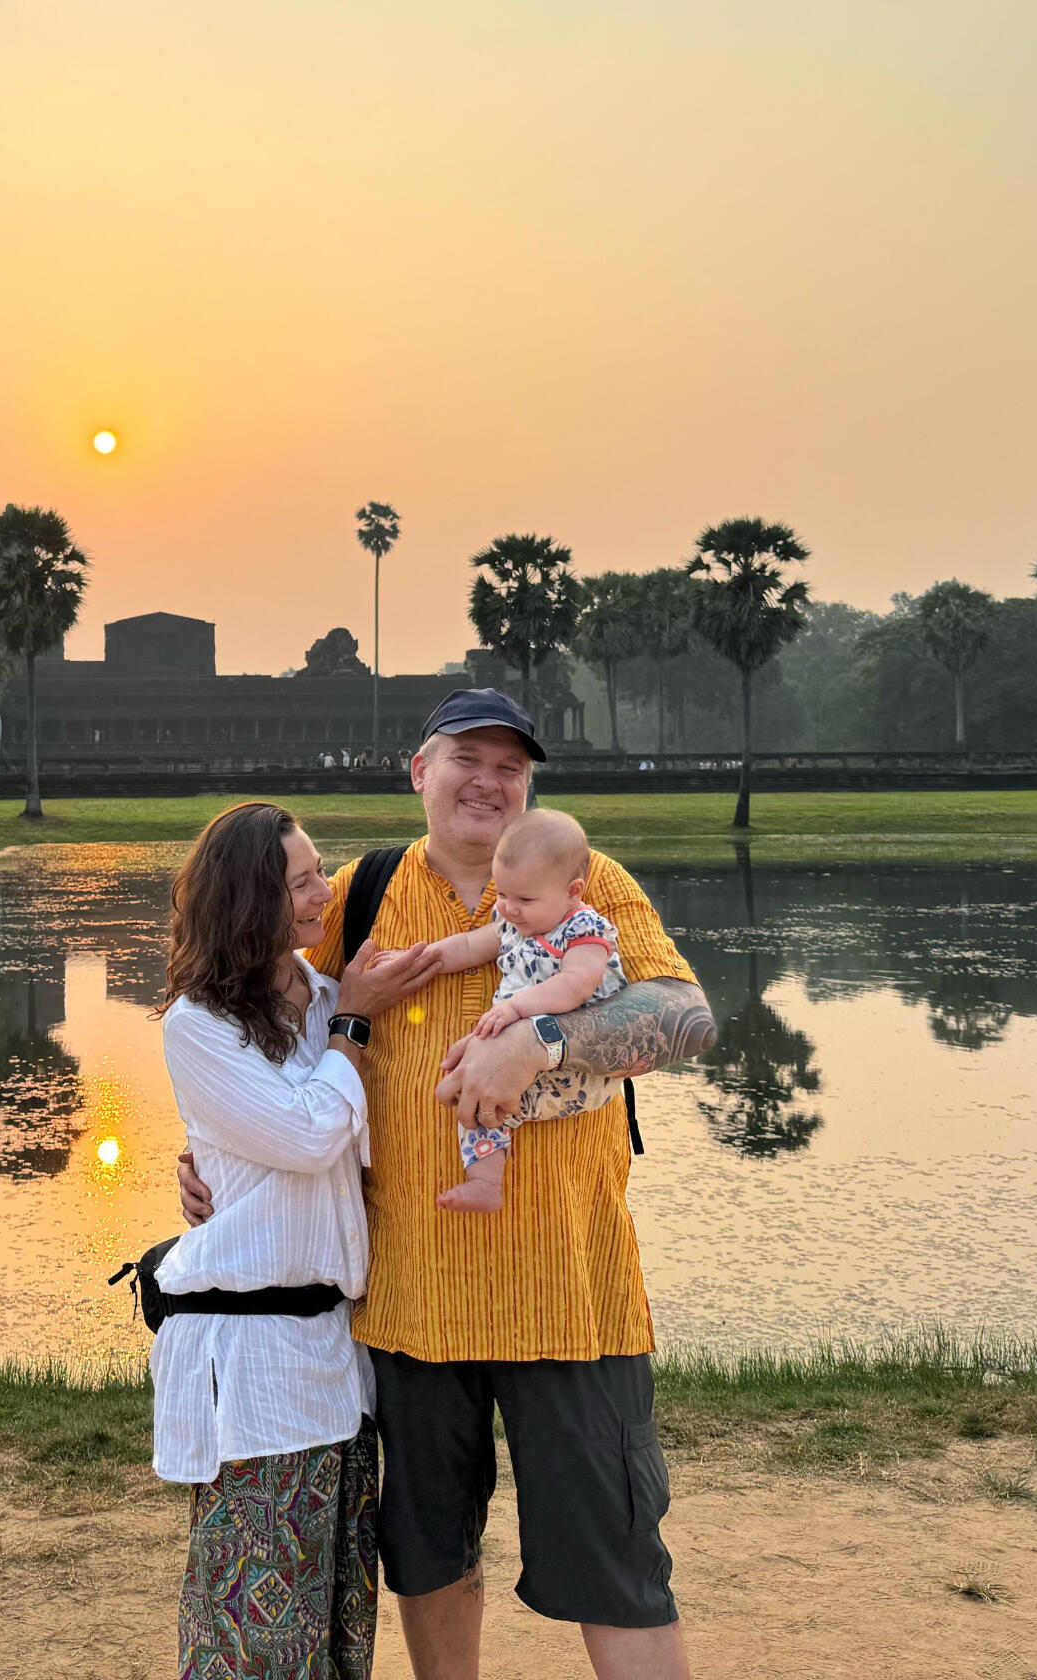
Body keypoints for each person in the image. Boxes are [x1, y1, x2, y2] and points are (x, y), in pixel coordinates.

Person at [180, 689, 718, 1680]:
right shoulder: (364, 892)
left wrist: (540, 1044)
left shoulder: (586, 880)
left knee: (619, 1564)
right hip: (412, 1308)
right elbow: (254, 1024)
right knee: (428, 1561)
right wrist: (216, 1150)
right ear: (417, 771)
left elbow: (686, 1018)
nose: (489, 780)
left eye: (511, 766)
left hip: (569, 1299)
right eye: (466, 756)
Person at [153, 801, 378, 1678]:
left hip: (337, 1356)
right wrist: (355, 1027)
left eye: (320, 871)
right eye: (303, 882)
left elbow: (333, 1148)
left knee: (334, 1619)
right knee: (251, 1631)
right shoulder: (197, 1026)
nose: (327, 893)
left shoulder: (330, 1000)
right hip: (254, 1368)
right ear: (252, 904)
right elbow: (309, 1133)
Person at [412, 808, 628, 1215]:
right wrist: (419, 958)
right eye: (503, 894)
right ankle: (485, 1181)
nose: (508, 908)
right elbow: (467, 947)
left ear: (573, 890)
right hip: (520, 1038)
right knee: (472, 1089)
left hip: (575, 1063)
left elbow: (575, 986)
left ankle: (486, 1179)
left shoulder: (583, 930)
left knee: (485, 1099)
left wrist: (514, 1010)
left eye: (524, 899)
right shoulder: (516, 921)